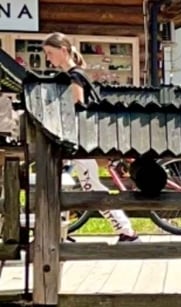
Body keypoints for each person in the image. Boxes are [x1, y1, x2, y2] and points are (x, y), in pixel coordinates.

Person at [41, 32, 137, 244]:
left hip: (81, 140)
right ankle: (61, 231)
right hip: (81, 140)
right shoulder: (75, 74)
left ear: (63, 51)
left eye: (50, 53)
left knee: (90, 187)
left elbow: (77, 107)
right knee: (76, 184)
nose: (48, 58)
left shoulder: (74, 76)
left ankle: (127, 231)